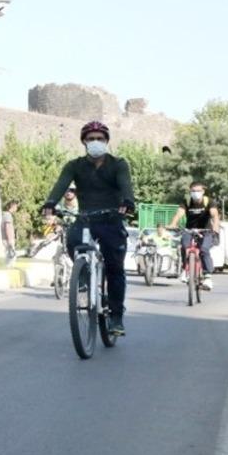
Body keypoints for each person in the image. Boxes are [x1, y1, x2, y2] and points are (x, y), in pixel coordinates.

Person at [43, 120, 135, 335]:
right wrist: (50, 202)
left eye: (100, 139)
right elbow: (61, 184)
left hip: (111, 219)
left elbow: (125, 185)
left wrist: (128, 201)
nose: (95, 142)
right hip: (86, 218)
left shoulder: (118, 164)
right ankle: (83, 274)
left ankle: (116, 317)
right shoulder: (74, 165)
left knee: (115, 268)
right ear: (84, 142)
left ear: (107, 141)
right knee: (72, 239)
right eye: (91, 138)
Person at [168, 181, 220, 290]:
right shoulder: (187, 201)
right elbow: (179, 214)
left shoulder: (209, 201)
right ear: (190, 192)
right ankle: (184, 269)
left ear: (203, 191)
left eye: (198, 191)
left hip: (206, 230)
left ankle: (207, 277)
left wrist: (215, 228)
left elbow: (214, 215)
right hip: (189, 229)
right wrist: (173, 224)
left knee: (204, 249)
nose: (196, 193)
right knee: (184, 246)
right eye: (193, 191)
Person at [2, 200, 19, 265]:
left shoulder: (6, 215)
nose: (17, 208)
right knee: (11, 258)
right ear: (12, 206)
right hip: (8, 240)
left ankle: (8, 268)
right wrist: (10, 241)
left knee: (9, 257)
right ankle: (8, 269)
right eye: (16, 206)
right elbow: (8, 228)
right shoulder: (8, 215)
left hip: (7, 240)